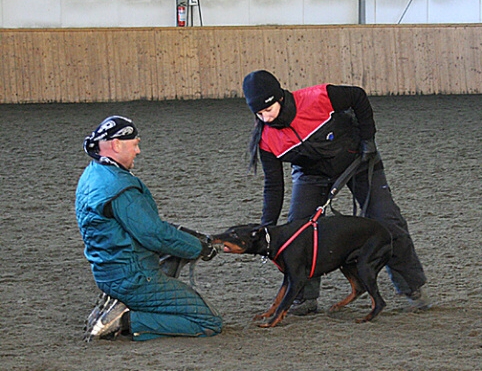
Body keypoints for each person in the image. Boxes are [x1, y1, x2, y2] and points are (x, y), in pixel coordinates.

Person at [242, 70, 431, 315]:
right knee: (299, 229)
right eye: (259, 114)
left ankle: (412, 286)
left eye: (269, 110)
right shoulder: (266, 140)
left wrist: (368, 140)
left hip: (359, 161)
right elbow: (274, 185)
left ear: (280, 97)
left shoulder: (319, 97)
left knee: (387, 220)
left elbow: (358, 97)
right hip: (311, 175)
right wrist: (267, 224)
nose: (266, 118)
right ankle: (304, 297)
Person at [76, 115, 222, 341]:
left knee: (171, 253)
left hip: (108, 272)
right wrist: (199, 249)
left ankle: (120, 302)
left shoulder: (92, 174)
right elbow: (153, 234)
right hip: (134, 277)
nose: (138, 151)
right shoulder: (119, 186)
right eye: (135, 144)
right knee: (208, 322)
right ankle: (124, 321)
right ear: (116, 145)